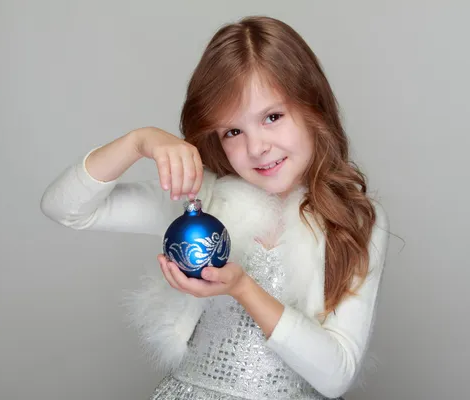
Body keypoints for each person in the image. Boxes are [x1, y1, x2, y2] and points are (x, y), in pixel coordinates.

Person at [40, 15, 389, 400]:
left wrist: (243, 288)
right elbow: (64, 208)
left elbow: (336, 374)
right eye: (233, 132)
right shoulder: (202, 200)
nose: (257, 148)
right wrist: (138, 142)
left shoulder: (352, 220)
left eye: (272, 117)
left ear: (313, 110)